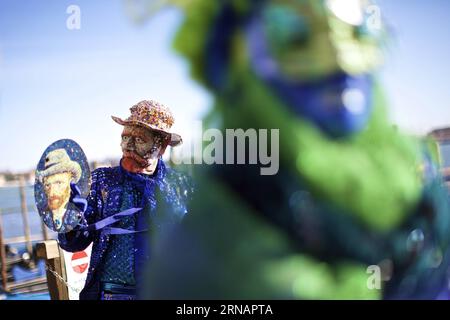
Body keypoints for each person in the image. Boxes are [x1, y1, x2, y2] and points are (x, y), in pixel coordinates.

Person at [143, 0, 450, 299]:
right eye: (295, 34)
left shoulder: (409, 186)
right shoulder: (212, 241)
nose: (341, 63)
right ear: (232, 59)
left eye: (359, 29)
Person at [58, 100, 192, 300]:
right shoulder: (101, 181)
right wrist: (71, 216)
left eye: (138, 139)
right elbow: (73, 244)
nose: (127, 146)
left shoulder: (182, 186)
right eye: (124, 138)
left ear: (161, 146)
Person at [36, 148, 82, 232]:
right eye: (47, 185)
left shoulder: (78, 210)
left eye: (59, 183)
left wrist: (81, 217)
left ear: (70, 182)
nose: (52, 191)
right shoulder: (47, 214)